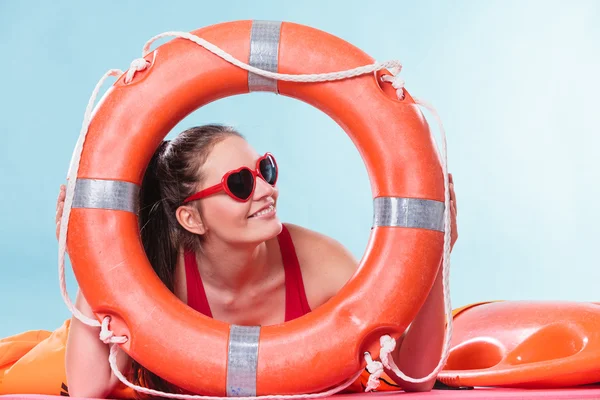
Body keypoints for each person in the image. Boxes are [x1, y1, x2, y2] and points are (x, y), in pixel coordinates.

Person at [55, 124, 458, 398]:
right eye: (240, 184)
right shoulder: (157, 276)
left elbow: (414, 374)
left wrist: (436, 254)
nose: (267, 190)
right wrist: (94, 260)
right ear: (191, 218)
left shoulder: (319, 264)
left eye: (264, 170)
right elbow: (89, 388)